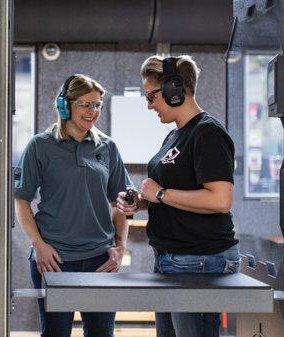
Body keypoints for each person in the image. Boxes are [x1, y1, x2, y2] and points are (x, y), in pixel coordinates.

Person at [117, 55, 239, 337]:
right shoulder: (176, 136)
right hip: (173, 259)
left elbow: (220, 200)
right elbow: (176, 193)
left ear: (175, 89)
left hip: (199, 260)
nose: (150, 106)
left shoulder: (208, 132)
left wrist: (159, 193)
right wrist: (142, 200)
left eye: (152, 97)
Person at [14, 74, 129, 337]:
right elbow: (21, 200)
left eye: (98, 105)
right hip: (55, 260)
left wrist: (120, 247)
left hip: (100, 260)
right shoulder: (40, 146)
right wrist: (38, 245)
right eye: (85, 105)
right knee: (56, 333)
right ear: (65, 106)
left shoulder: (107, 147)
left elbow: (119, 202)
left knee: (101, 334)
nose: (93, 112)